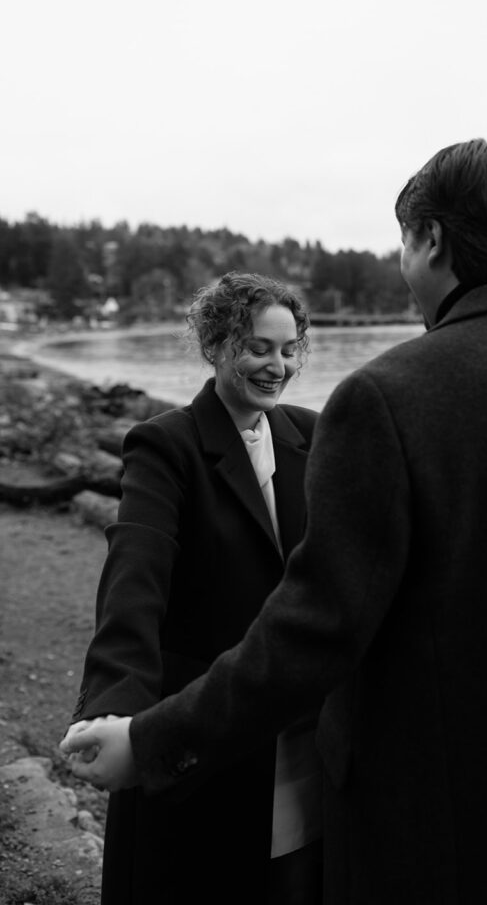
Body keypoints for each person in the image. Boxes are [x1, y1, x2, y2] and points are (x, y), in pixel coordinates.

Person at [63, 140, 487, 905]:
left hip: (441, 836)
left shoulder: (391, 397)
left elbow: (318, 627)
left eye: (404, 245)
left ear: (431, 240)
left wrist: (150, 742)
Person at [63, 272, 321, 904]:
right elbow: (136, 574)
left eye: (289, 350)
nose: (277, 365)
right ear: (216, 344)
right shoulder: (165, 444)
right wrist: (114, 705)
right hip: (200, 735)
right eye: (259, 347)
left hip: (300, 738)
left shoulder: (315, 435)